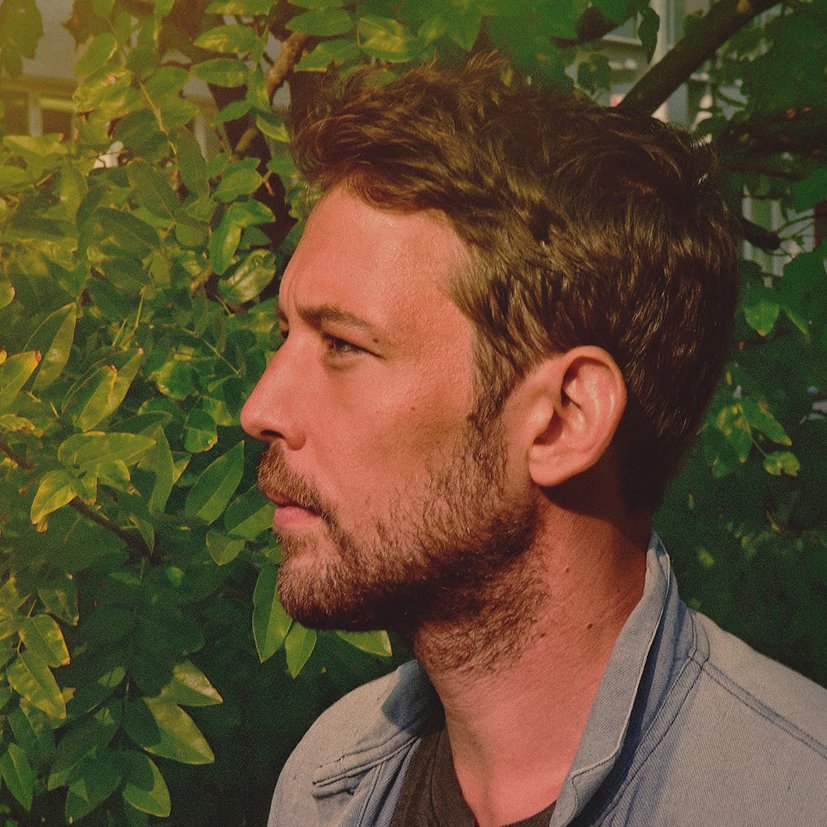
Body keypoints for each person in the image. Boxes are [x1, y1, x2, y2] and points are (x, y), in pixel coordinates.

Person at [240, 55, 827, 827]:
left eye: (343, 345)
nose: (261, 408)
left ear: (562, 417)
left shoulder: (793, 798)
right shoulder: (329, 783)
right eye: (284, 333)